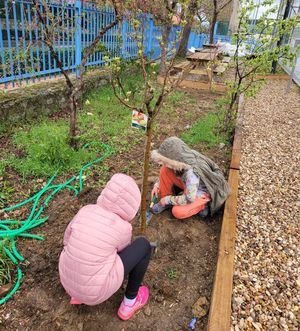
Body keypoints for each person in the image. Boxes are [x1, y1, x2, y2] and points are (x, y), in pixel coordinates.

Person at [59, 174, 151, 321]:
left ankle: (77, 295)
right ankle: (129, 302)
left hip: (66, 278)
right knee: (143, 246)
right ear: (132, 206)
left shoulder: (86, 210)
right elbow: (124, 253)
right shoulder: (123, 227)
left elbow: (66, 240)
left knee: (82, 248)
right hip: (95, 292)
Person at [150, 137, 230, 219]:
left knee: (177, 212)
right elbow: (166, 171)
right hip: (189, 185)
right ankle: (166, 200)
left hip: (200, 192)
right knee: (165, 169)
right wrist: (157, 185)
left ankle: (202, 206)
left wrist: (167, 200)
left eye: (166, 161)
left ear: (174, 160)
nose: (164, 164)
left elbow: (189, 198)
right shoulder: (183, 158)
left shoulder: (191, 174)